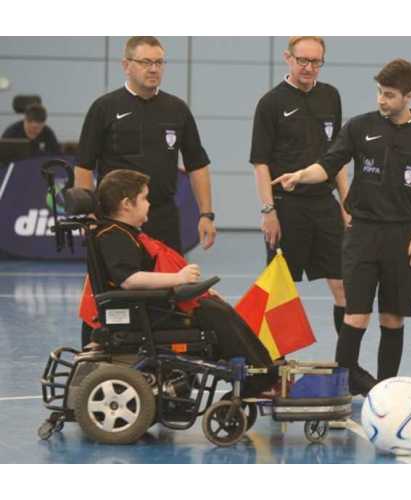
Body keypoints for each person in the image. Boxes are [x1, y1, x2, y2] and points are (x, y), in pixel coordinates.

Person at [273, 59, 411, 395]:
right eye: (379, 93)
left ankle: (386, 392)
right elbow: (327, 166)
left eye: (389, 95)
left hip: (403, 236)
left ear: (409, 95)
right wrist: (300, 175)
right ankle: (342, 387)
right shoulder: (359, 127)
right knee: (356, 316)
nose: (381, 100)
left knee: (392, 319)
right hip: (362, 234)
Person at [87, 169, 276, 394]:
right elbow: (129, 280)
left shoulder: (123, 232)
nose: (149, 204)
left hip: (146, 308)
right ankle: (262, 376)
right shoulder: (113, 235)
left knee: (216, 307)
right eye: (144, 198)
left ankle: (263, 370)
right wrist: (179, 279)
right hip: (141, 314)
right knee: (215, 314)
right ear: (127, 204)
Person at [74, 36, 216, 254]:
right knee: (122, 285)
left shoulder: (177, 109)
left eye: (159, 63)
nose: (153, 69)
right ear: (126, 65)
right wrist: (89, 214)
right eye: (145, 62)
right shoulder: (104, 108)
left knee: (170, 284)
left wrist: (206, 214)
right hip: (116, 218)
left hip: (163, 216)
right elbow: (84, 165)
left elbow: (197, 165)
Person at [250, 36, 349, 340]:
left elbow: (338, 157)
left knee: (344, 284)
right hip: (286, 206)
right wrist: (268, 211)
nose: (308, 67)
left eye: (315, 61)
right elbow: (260, 164)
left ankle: (347, 363)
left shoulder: (331, 97)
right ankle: (273, 367)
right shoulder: (271, 103)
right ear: (288, 58)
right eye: (302, 60)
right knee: (280, 289)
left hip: (324, 204)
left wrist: (347, 205)